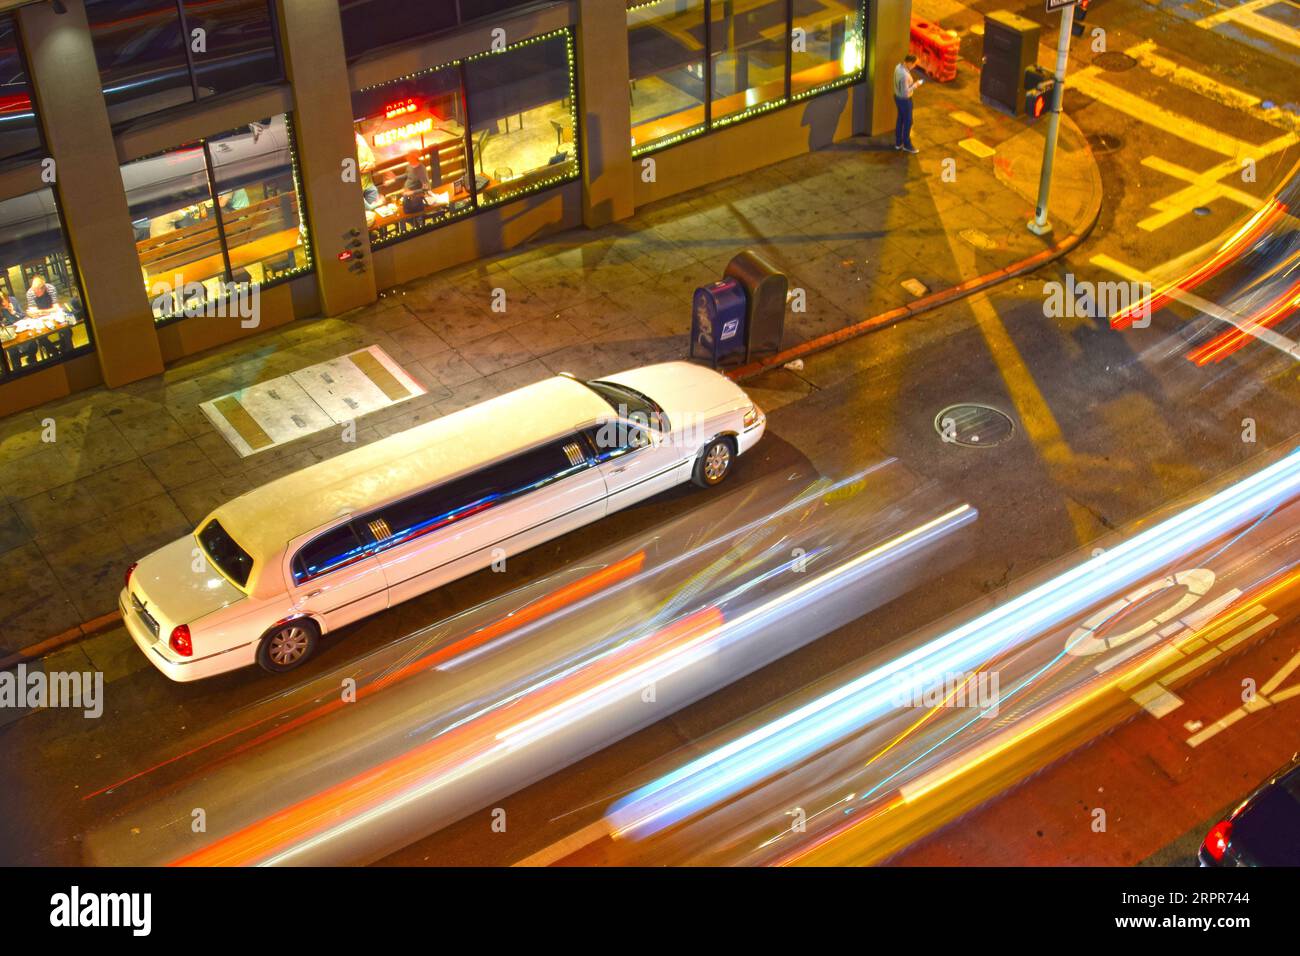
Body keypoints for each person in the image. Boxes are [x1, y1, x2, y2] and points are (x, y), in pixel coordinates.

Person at [26, 274, 70, 359]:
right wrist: (43, 312)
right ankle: (55, 353)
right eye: (33, 290)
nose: (34, 292)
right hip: (40, 320)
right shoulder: (30, 292)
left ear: (43, 288)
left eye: (36, 291)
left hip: (54, 316)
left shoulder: (50, 289)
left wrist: (41, 311)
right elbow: (34, 313)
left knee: (67, 331)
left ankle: (66, 352)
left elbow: (56, 308)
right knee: (41, 338)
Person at [893, 53, 923, 154]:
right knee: (908, 122)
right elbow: (906, 93)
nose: (914, 66)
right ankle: (907, 144)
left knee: (900, 120)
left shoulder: (898, 67)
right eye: (914, 64)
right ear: (909, 63)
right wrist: (916, 85)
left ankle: (898, 143)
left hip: (897, 98)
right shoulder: (905, 75)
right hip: (905, 100)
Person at [0, 290, 36, 369]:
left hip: (21, 329)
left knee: (33, 345)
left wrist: (13, 312)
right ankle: (18, 369)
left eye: (4, 301)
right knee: (13, 352)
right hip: (9, 335)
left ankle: (32, 361)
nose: (3, 304)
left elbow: (23, 316)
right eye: (1, 303)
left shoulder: (13, 300)